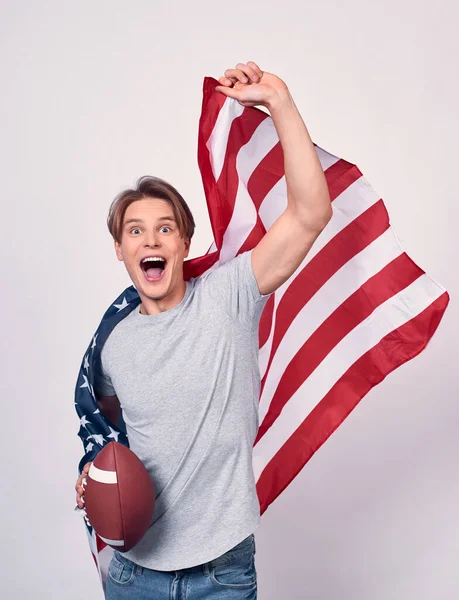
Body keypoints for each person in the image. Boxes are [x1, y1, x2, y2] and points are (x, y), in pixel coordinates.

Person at [75, 60, 332, 599]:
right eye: (136, 231)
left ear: (184, 244)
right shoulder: (112, 345)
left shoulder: (229, 296)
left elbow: (310, 213)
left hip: (222, 573)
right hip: (132, 574)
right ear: (120, 250)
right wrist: (92, 476)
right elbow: (105, 435)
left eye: (165, 228)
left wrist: (279, 100)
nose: (151, 240)